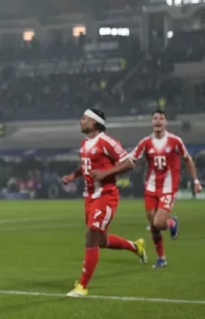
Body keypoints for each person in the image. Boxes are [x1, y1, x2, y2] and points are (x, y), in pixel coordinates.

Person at [63, 108, 147, 298]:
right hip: (89, 197)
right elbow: (87, 166)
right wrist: (73, 175)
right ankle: (136, 246)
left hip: (106, 196)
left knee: (91, 236)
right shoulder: (85, 143)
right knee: (101, 241)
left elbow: (129, 163)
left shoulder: (107, 141)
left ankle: (82, 286)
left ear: (94, 123)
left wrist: (106, 173)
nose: (80, 121)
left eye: (84, 118)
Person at [130, 110, 201, 268]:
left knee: (158, 223)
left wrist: (196, 181)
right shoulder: (145, 142)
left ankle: (171, 222)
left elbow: (188, 159)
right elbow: (131, 158)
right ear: (152, 122)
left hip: (168, 188)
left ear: (166, 123)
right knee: (153, 227)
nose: (158, 121)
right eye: (155, 118)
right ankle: (161, 258)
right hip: (151, 188)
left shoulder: (175, 141)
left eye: (161, 118)